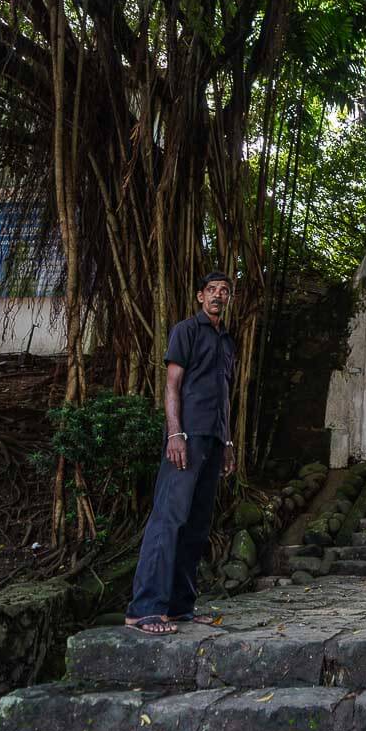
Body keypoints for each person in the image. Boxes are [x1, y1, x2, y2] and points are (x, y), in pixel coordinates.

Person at [125, 272, 237, 636]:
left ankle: (179, 608)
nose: (218, 296)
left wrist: (229, 443)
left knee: (197, 525)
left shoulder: (227, 341)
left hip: (214, 440)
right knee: (169, 519)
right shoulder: (186, 330)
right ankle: (144, 609)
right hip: (186, 439)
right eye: (212, 291)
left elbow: (224, 397)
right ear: (200, 296)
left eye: (224, 291)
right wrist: (175, 433)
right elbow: (172, 386)